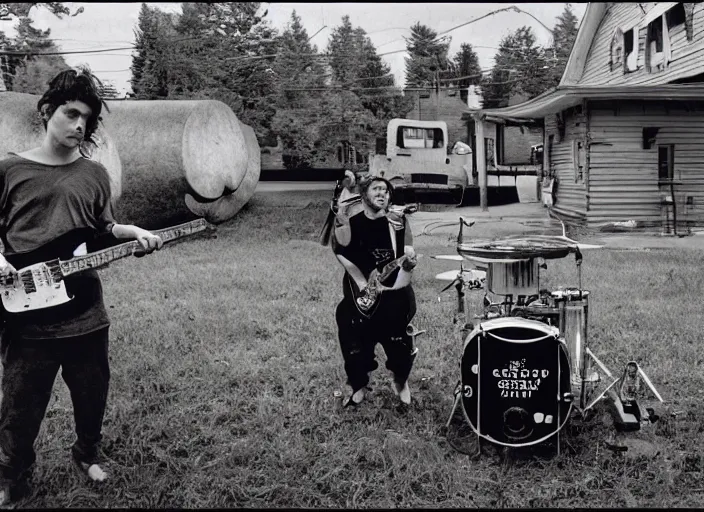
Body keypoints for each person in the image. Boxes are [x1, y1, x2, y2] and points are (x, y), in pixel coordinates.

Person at [0, 69, 163, 504]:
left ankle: (86, 452)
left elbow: (99, 231)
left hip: (85, 311)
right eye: (71, 114)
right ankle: (13, 477)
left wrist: (130, 234)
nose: (78, 125)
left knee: (92, 396)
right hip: (26, 315)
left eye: (86, 120)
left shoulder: (94, 175)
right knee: (19, 407)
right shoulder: (9, 170)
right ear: (47, 111)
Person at [332, 173, 418, 407]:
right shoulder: (353, 224)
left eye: (387, 191)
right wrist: (361, 283)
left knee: (401, 350)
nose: (383, 193)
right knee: (355, 348)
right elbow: (340, 251)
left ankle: (401, 382)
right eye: (377, 189)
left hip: (393, 298)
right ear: (363, 195)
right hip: (360, 300)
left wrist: (408, 266)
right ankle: (358, 385)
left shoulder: (397, 224)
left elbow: (406, 258)